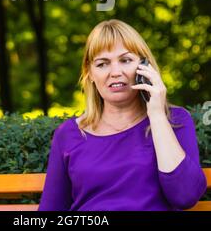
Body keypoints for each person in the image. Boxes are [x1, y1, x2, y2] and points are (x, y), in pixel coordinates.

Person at [38, 19, 207, 211]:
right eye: (102, 64)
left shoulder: (175, 121)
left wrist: (157, 116)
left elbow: (185, 196)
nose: (115, 72)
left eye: (125, 60)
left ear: (144, 67)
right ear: (90, 73)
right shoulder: (68, 134)